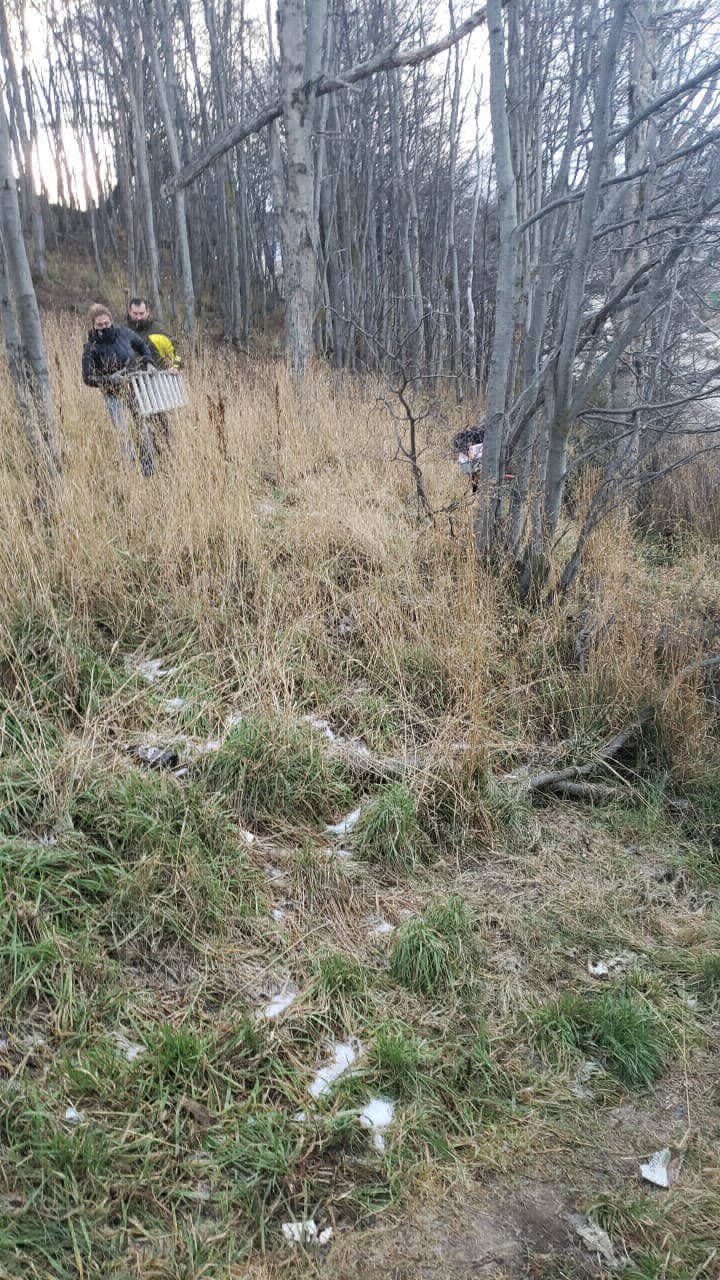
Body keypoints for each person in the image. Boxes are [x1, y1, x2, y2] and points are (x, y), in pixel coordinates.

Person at [82, 303, 158, 475]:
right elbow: (87, 378)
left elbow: (142, 345)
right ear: (93, 325)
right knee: (123, 432)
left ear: (111, 320)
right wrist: (109, 379)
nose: (104, 327)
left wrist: (148, 361)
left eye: (106, 323)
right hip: (112, 395)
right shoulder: (90, 348)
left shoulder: (124, 333)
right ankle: (130, 471)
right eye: (100, 325)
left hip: (133, 389)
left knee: (142, 428)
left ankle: (148, 469)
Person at [126, 298, 180, 370]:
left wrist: (175, 367)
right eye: (135, 314)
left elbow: (179, 350)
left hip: (158, 375)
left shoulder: (159, 330)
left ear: (147, 312)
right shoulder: (122, 332)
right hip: (129, 376)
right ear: (130, 312)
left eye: (141, 313)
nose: (138, 317)